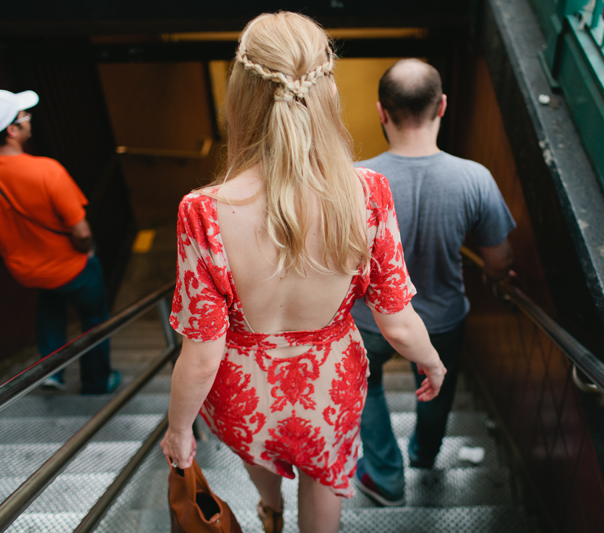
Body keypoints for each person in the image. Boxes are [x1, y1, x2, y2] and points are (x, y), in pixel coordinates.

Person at [158, 12, 446, 533]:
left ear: (241, 95)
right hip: (331, 383)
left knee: (258, 455)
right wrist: (431, 363)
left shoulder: (201, 212)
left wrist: (179, 429)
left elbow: (201, 357)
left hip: (243, 391)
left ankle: (271, 512)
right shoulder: (370, 193)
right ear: (326, 91)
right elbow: (398, 321)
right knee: (326, 475)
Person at [350, 58, 516, 507]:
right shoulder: (474, 178)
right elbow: (500, 259)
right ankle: (423, 456)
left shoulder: (353, 182)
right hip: (442, 320)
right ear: (442, 106)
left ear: (382, 112)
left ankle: (385, 475)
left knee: (365, 387)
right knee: (437, 386)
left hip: (370, 321)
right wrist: (494, 275)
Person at [0, 89, 120, 394]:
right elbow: (82, 232)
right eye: (24, 116)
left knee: (51, 302)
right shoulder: (47, 171)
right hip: (71, 267)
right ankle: (96, 382)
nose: (29, 119)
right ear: (12, 130)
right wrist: (86, 251)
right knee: (94, 319)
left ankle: (52, 372)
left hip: (26, 271)